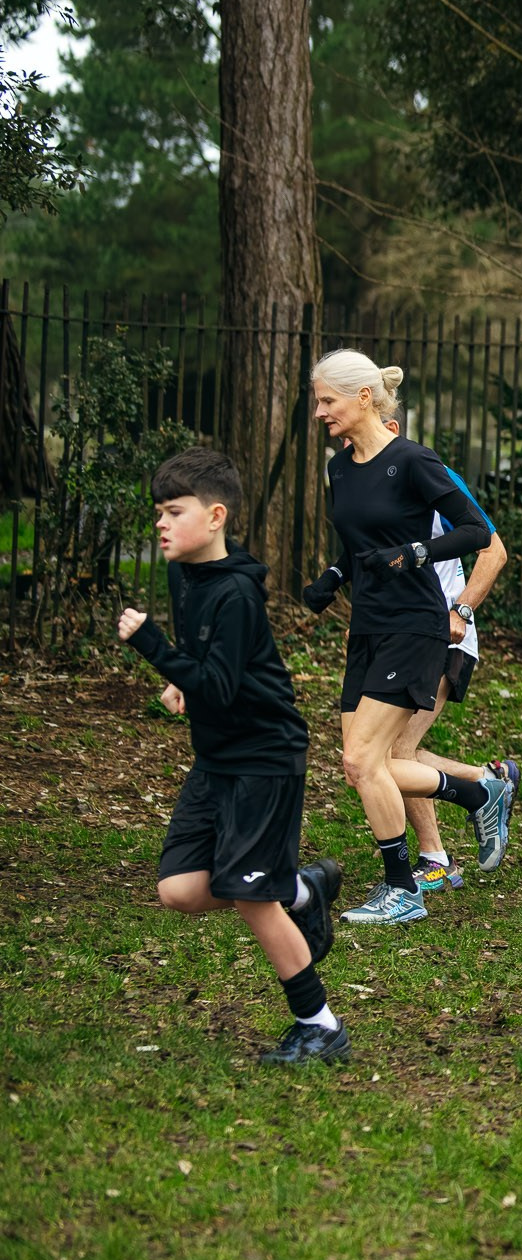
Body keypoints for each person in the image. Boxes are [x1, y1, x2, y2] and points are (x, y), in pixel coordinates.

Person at [117, 448, 347, 1064]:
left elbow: (216, 684)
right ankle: (300, 891)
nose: (161, 524)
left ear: (215, 516)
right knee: (179, 890)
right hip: (219, 759)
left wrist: (154, 648)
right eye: (157, 513)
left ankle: (319, 1025)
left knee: (249, 896)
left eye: (174, 512)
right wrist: (180, 677)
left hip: (263, 758)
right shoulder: (186, 576)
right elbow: (212, 666)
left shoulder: (236, 594)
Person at [301, 351, 514, 926]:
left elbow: (476, 532)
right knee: (360, 767)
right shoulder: (340, 468)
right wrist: (334, 576)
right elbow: (362, 541)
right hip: (366, 627)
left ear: (364, 397)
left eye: (328, 401)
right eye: (317, 401)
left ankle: (405, 888)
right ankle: (476, 793)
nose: (319, 411)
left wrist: (418, 553)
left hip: (417, 627)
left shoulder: (414, 461)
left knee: (365, 758)